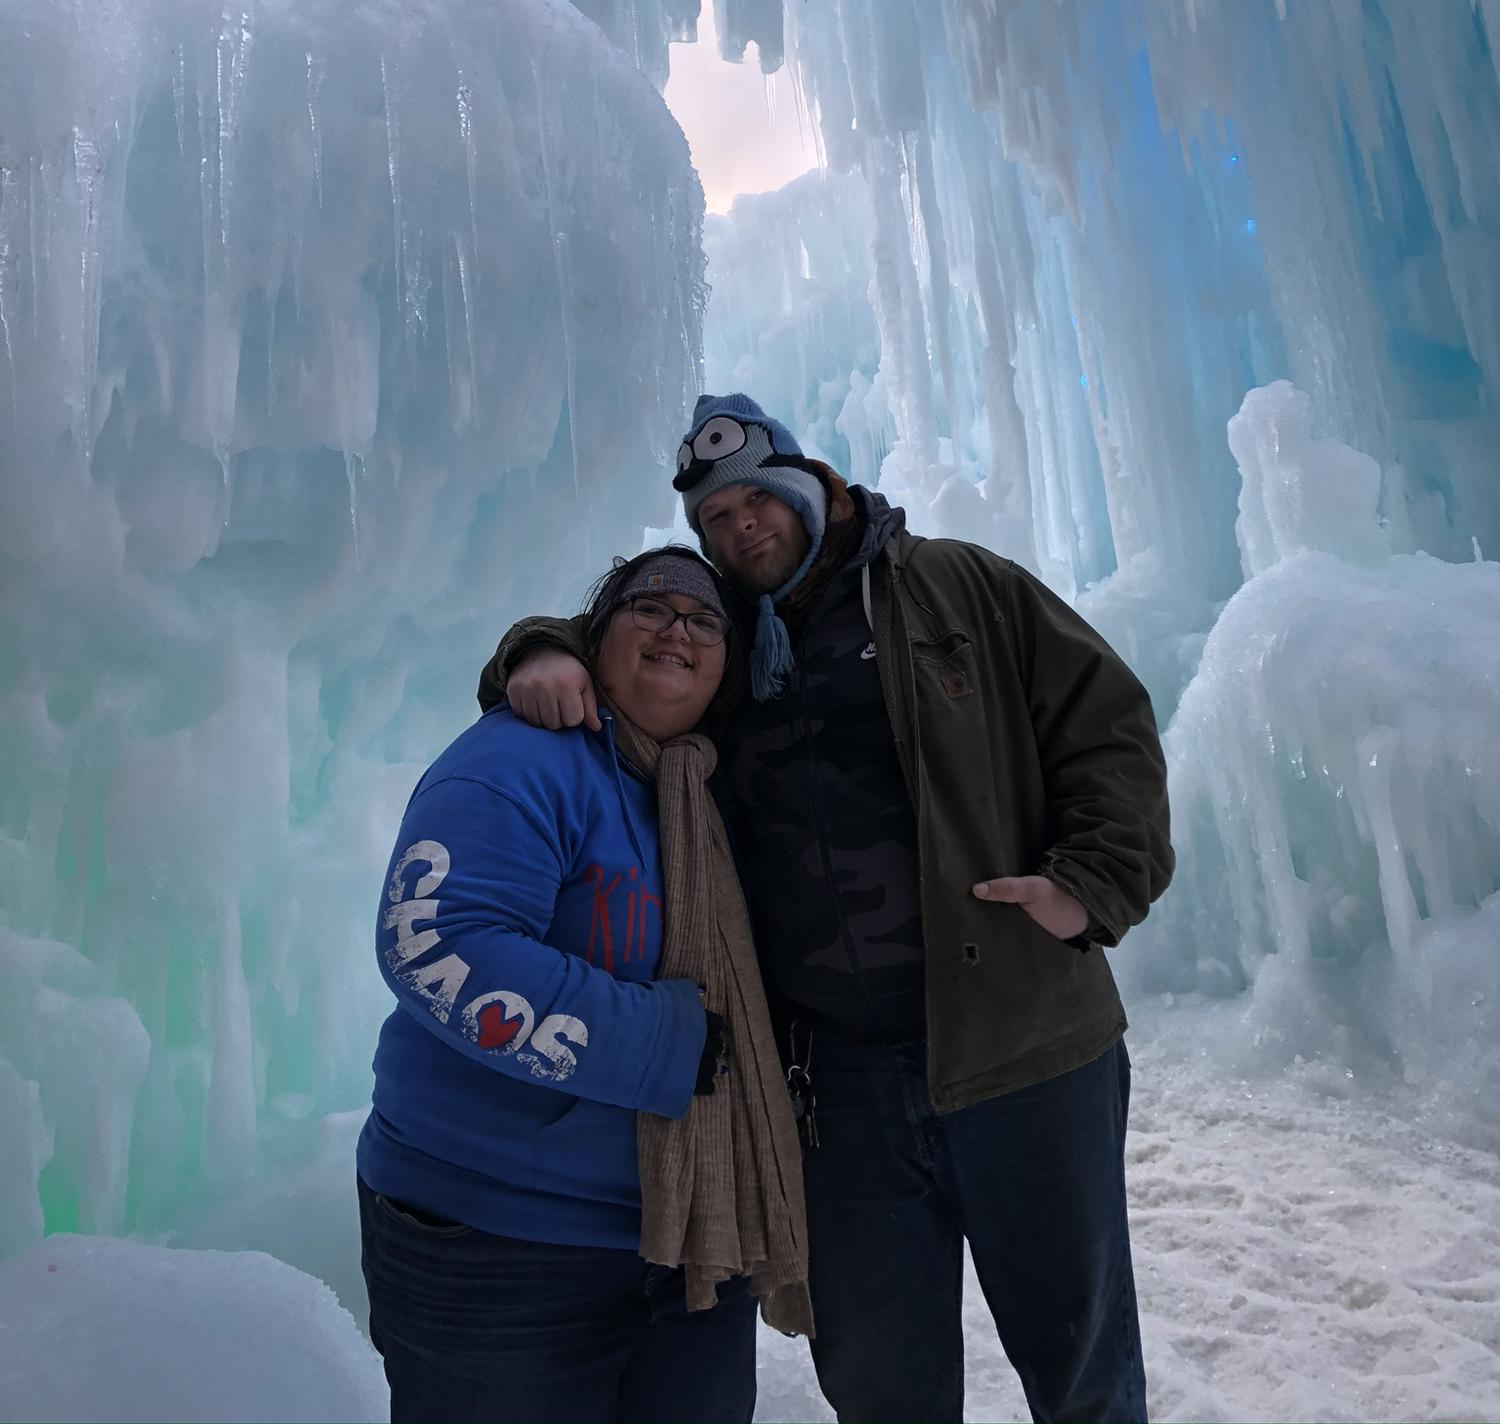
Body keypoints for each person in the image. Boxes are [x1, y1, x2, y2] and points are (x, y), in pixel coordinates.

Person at [485, 394, 1175, 1424]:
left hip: (1025, 1044)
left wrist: (1092, 883)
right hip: (836, 1080)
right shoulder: (720, 640)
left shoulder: (954, 585)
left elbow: (1105, 719)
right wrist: (539, 649)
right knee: (878, 1378)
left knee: (1080, 1362)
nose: (739, 526)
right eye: (714, 518)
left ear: (811, 485)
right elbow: (634, 647)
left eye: (754, 499)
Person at [358, 543, 812, 1424]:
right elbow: (435, 942)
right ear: (593, 639)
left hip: (689, 1244)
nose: (677, 629)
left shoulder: (710, 787)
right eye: (649, 608)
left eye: (704, 619)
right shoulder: (522, 759)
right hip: (496, 1246)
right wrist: (667, 1044)